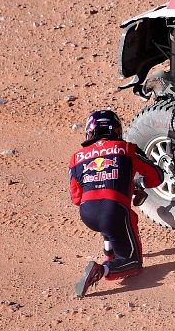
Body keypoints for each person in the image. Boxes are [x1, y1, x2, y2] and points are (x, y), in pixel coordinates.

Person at [69, 110, 163, 297]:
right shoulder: (126, 148)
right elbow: (157, 176)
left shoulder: (76, 157)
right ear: (117, 130)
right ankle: (102, 269)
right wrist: (136, 184)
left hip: (87, 213)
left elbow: (76, 198)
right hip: (114, 210)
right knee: (133, 263)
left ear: (90, 131)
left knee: (114, 217)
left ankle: (109, 253)